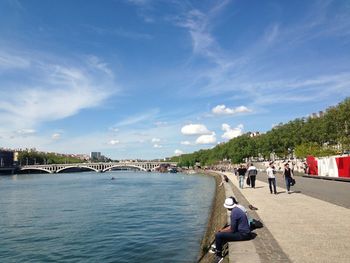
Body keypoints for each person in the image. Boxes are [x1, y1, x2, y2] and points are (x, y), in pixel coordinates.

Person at [213, 197, 252, 263]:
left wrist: (221, 231)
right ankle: (218, 247)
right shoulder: (236, 210)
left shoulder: (234, 213)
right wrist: (223, 230)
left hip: (243, 234)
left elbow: (232, 230)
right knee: (222, 233)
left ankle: (219, 256)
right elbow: (232, 226)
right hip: (245, 232)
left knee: (218, 235)